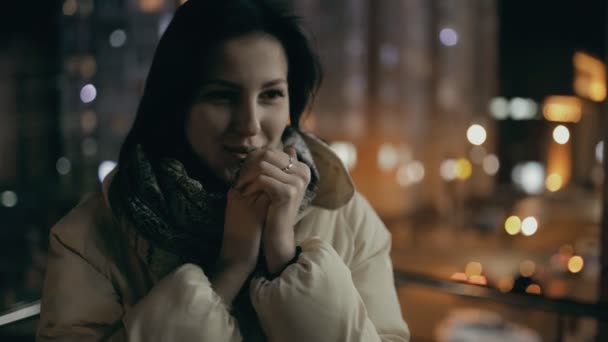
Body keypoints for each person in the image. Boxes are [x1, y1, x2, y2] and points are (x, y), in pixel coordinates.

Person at [37, 0, 410, 341]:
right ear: (177, 103)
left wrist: (285, 257)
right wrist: (230, 268)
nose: (249, 124)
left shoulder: (346, 215)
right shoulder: (90, 236)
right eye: (222, 96)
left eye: (271, 95)